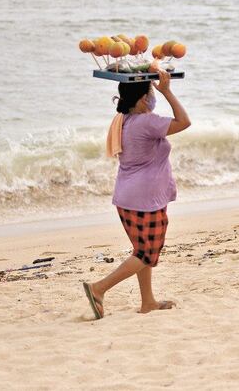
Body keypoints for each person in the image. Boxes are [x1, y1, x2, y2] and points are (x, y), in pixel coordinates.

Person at [82, 70, 190, 320]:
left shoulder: (124, 119)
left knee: (141, 250)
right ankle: (99, 288)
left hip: (127, 198)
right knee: (147, 253)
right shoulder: (146, 122)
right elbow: (184, 122)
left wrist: (158, 89)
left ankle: (148, 302)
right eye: (151, 92)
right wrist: (167, 91)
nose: (154, 96)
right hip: (145, 201)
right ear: (143, 99)